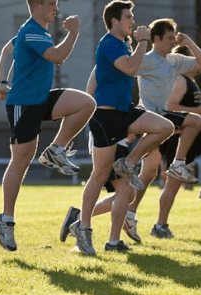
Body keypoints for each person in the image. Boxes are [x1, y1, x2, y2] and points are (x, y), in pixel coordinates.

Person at [68, 0, 174, 256]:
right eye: (128, 16)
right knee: (99, 175)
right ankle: (83, 227)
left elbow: (131, 67)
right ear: (114, 21)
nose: (132, 20)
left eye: (132, 16)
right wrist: (143, 42)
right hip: (105, 119)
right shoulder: (108, 43)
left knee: (164, 127)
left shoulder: (122, 44)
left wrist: (138, 45)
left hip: (125, 112)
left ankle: (113, 240)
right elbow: (130, 68)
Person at [0, 0, 96, 252]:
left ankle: (56, 150)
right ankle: (5, 220)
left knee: (85, 103)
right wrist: (74, 32)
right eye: (51, 3)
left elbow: (11, 51)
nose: (56, 8)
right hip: (23, 104)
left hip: (41, 98)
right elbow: (57, 57)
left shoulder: (38, 32)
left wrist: (4, 79)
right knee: (21, 160)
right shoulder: (30, 30)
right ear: (37, 4)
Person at [122, 18, 201, 240]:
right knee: (194, 121)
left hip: (167, 122)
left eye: (173, 37)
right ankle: (176, 166)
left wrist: (188, 42)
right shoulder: (147, 60)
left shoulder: (175, 60)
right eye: (168, 38)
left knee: (147, 173)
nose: (172, 42)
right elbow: (127, 70)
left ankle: (130, 213)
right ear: (156, 39)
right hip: (153, 120)